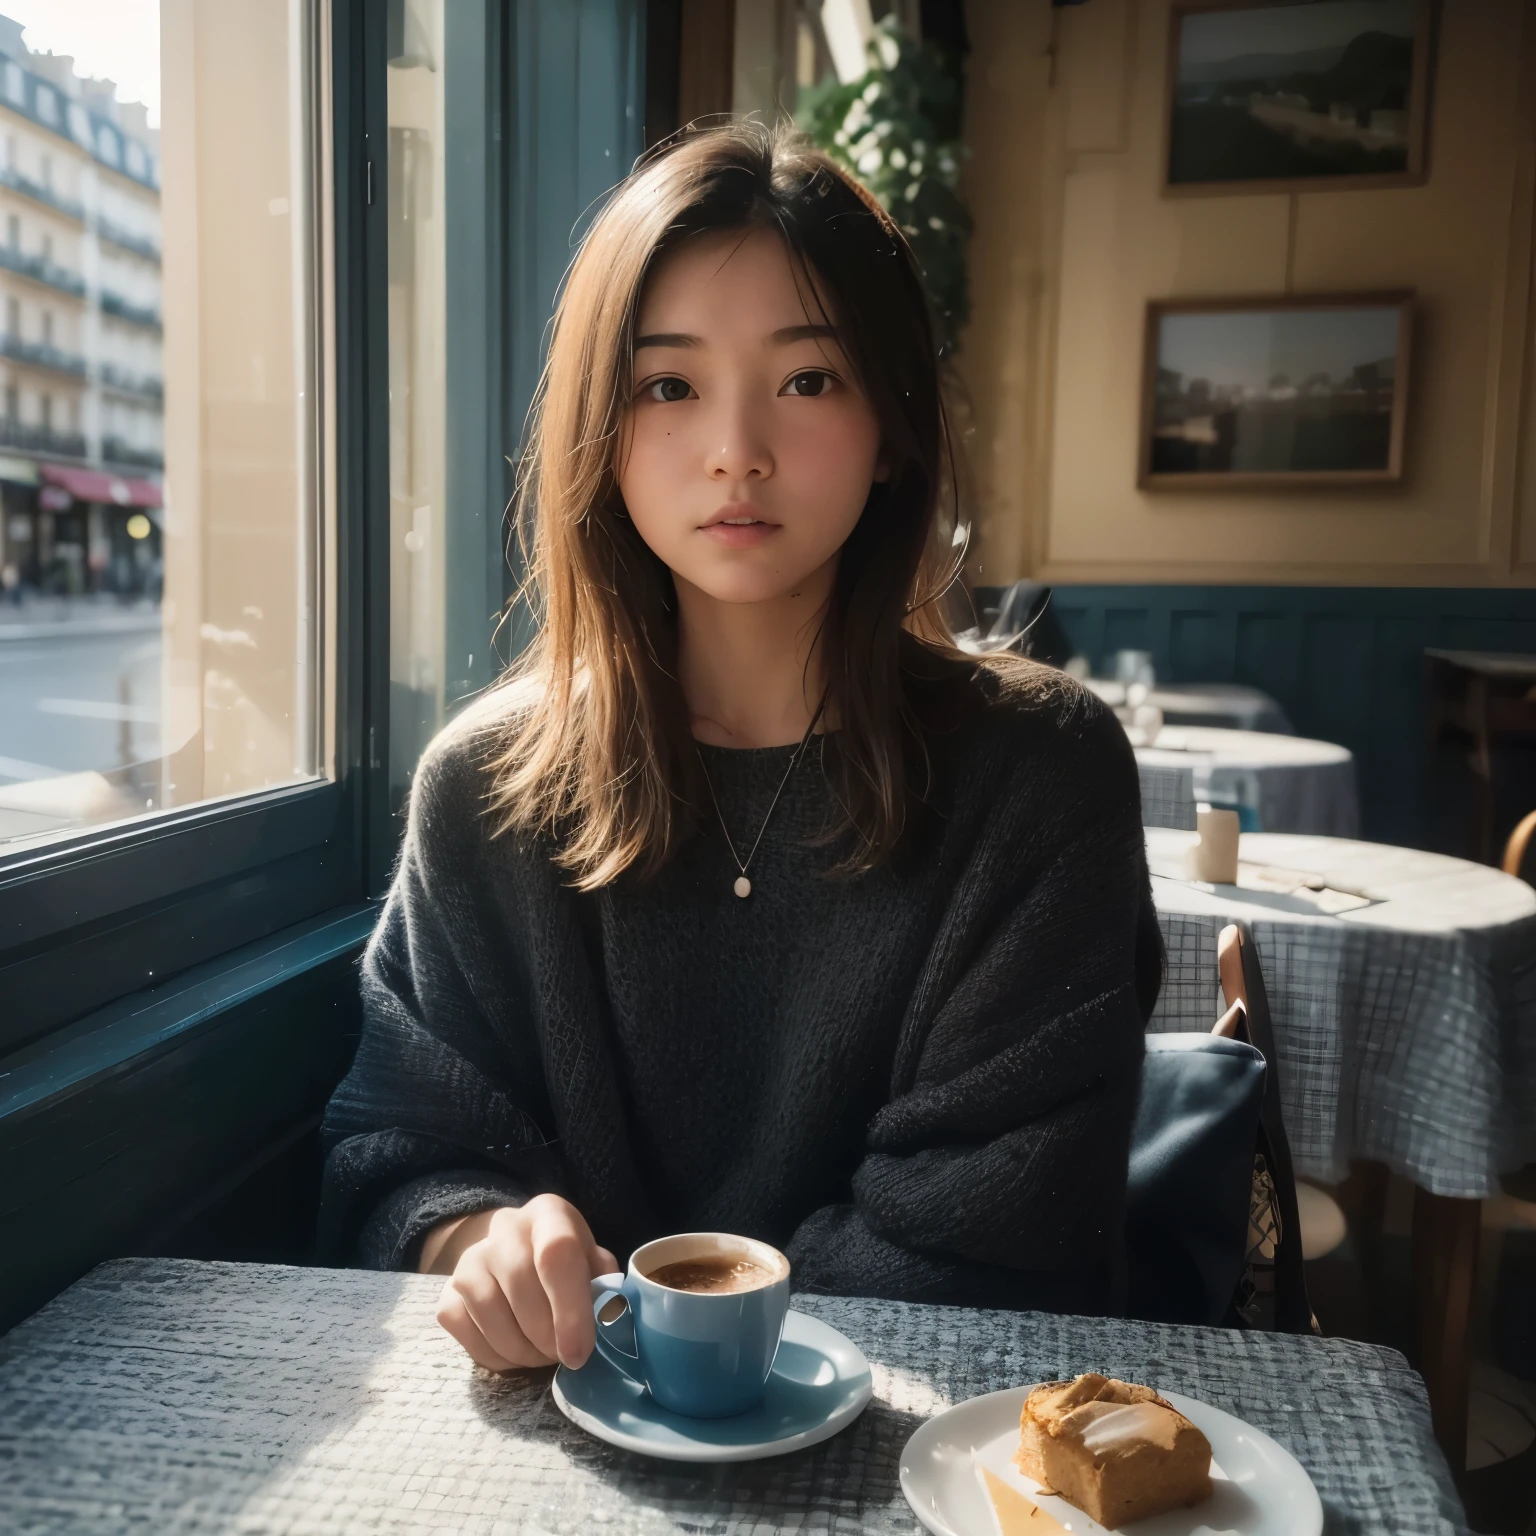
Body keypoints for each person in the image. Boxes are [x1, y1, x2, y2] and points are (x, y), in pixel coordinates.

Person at [318, 121, 1161, 1375]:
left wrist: (652, 1343)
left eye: (808, 380)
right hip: (562, 1454)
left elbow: (999, 1227)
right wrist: (483, 1242)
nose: (737, 450)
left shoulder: (1041, 774)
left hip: (928, 1441)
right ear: (598, 435)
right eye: (669, 386)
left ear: (895, 429)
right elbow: (403, 1148)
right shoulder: (485, 788)